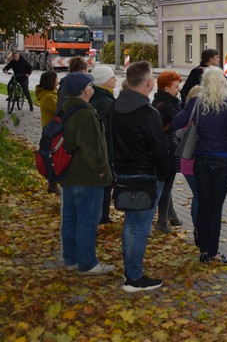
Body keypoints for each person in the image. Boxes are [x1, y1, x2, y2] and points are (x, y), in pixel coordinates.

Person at [171, 66, 227, 264]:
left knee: (203, 204)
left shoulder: (196, 103)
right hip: (223, 161)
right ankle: (213, 252)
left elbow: (176, 123)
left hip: (201, 160)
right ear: (222, 84)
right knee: (215, 207)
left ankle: (203, 251)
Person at [111, 61, 168, 292]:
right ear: (148, 82)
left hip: (122, 173)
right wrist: (163, 174)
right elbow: (159, 148)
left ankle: (131, 271)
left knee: (131, 223)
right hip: (146, 176)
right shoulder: (148, 113)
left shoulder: (114, 108)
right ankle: (133, 277)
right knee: (139, 227)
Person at [58, 72, 115, 275]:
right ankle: (88, 264)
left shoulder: (66, 108)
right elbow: (93, 149)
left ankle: (71, 259)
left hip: (69, 174)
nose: (92, 89)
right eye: (90, 86)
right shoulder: (85, 113)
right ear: (84, 90)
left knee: (70, 219)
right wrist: (102, 171)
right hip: (87, 176)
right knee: (87, 221)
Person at [151, 70, 184, 234]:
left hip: (163, 147)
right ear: (166, 88)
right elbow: (181, 120)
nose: (178, 89)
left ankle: (171, 215)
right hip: (168, 148)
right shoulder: (168, 105)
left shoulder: (157, 101)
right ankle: (162, 221)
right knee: (166, 185)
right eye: (176, 87)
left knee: (166, 184)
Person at [89, 65, 117, 225]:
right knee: (106, 183)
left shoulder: (95, 97)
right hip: (105, 148)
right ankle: (102, 217)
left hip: (97, 148)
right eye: (112, 78)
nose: (115, 80)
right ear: (104, 81)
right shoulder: (106, 101)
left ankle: (101, 215)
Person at [180, 85, 201, 246]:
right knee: (200, 196)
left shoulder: (185, 114)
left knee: (197, 196)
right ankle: (199, 227)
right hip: (196, 163)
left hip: (186, 162)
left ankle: (197, 226)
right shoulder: (199, 116)